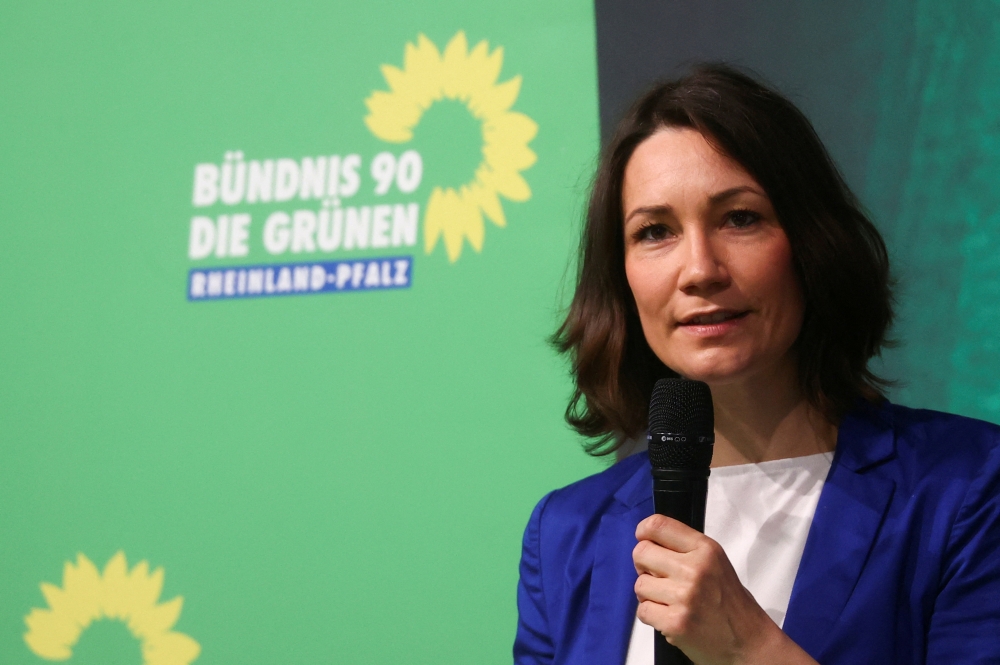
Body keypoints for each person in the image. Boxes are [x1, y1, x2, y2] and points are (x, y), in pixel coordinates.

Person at [513, 64, 1000, 664]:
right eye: (655, 231)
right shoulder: (565, 534)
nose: (700, 270)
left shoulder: (968, 488)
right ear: (622, 277)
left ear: (810, 242)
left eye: (739, 218)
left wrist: (745, 645)